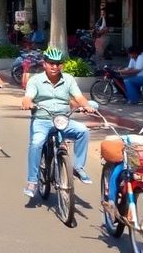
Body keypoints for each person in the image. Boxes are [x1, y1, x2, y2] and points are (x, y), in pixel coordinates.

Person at [21, 47, 95, 197]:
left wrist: (86, 105)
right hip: (42, 119)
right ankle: (32, 181)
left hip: (62, 119)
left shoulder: (68, 79)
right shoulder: (35, 80)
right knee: (36, 143)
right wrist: (27, 103)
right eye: (51, 63)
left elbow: (79, 97)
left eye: (58, 64)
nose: (54, 67)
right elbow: (28, 97)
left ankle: (78, 167)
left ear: (62, 65)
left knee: (83, 131)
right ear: (45, 64)